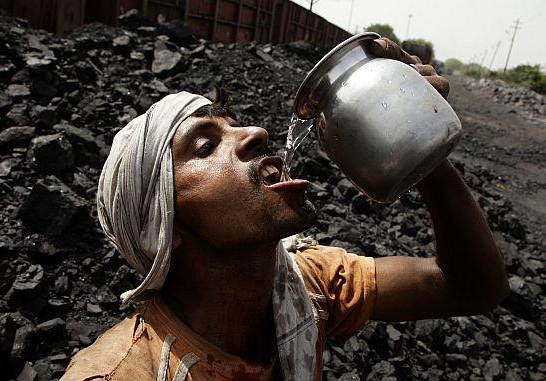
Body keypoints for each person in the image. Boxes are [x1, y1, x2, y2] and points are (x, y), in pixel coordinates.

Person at [61, 38, 509, 381]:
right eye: (205, 145)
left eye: (235, 124)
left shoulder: (308, 286)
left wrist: (423, 151)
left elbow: (468, 287)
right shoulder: (119, 372)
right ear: (165, 223)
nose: (256, 132)